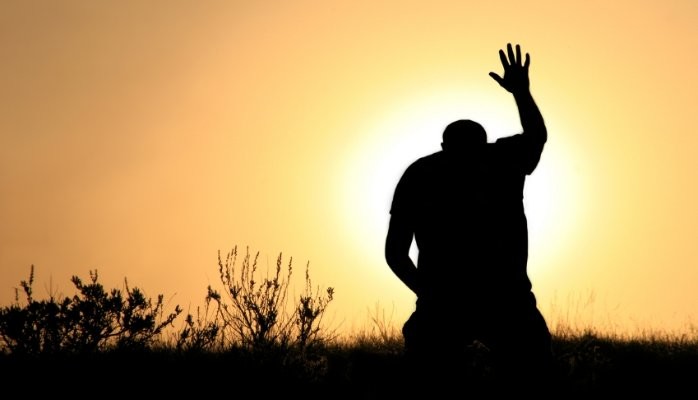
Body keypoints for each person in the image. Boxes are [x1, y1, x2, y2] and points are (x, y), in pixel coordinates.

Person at [385, 43, 554, 395]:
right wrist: (521, 92)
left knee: (430, 385)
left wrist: (429, 293)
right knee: (530, 380)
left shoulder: (425, 172)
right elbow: (536, 136)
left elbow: (395, 253)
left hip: (485, 298)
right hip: (492, 298)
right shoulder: (498, 161)